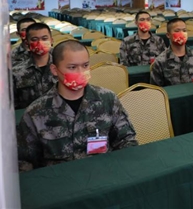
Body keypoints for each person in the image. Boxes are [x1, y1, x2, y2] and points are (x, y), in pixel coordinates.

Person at [17, 40, 138, 172]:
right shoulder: (36, 112)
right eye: (72, 67)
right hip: (60, 180)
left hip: (102, 174)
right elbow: (24, 163)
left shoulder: (107, 99)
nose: (81, 72)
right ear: (55, 70)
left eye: (85, 65)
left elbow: (126, 140)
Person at [150, 18, 193, 86]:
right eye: (177, 31)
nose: (182, 33)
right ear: (168, 35)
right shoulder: (160, 61)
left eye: (184, 30)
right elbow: (156, 90)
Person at [13, 23, 56, 109]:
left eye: (44, 38)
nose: (40, 43)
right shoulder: (16, 72)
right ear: (27, 43)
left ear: (51, 40)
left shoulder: (62, 68)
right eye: (34, 39)